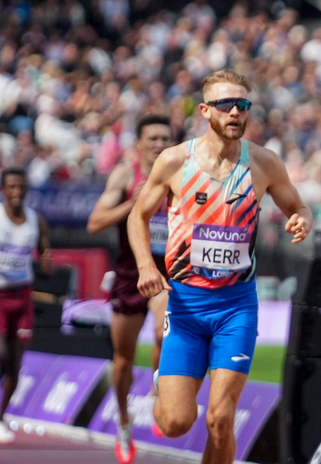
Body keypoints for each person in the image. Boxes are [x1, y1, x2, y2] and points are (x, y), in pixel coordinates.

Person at [128, 69, 313, 464]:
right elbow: (136, 216)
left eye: (242, 105)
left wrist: (302, 217)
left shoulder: (263, 163)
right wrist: (146, 265)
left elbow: (295, 204)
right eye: (226, 105)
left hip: (236, 306)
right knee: (177, 421)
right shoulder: (175, 161)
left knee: (220, 419)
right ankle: (162, 382)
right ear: (205, 111)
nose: (235, 113)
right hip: (186, 306)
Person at [87, 114, 173, 463]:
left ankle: (159, 398)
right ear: (138, 144)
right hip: (127, 274)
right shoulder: (125, 175)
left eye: (165, 139)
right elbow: (94, 223)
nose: (159, 145)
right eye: (152, 138)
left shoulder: (179, 175)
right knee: (122, 359)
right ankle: (124, 422)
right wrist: (131, 204)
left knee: (163, 331)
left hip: (164, 273)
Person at [0, 168, 51, 444]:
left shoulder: (36, 221)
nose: (16, 191)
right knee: (0, 353)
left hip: (22, 298)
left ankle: (1, 417)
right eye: (11, 187)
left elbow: (45, 258)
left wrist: (46, 264)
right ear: (3, 190)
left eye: (21, 186)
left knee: (15, 363)